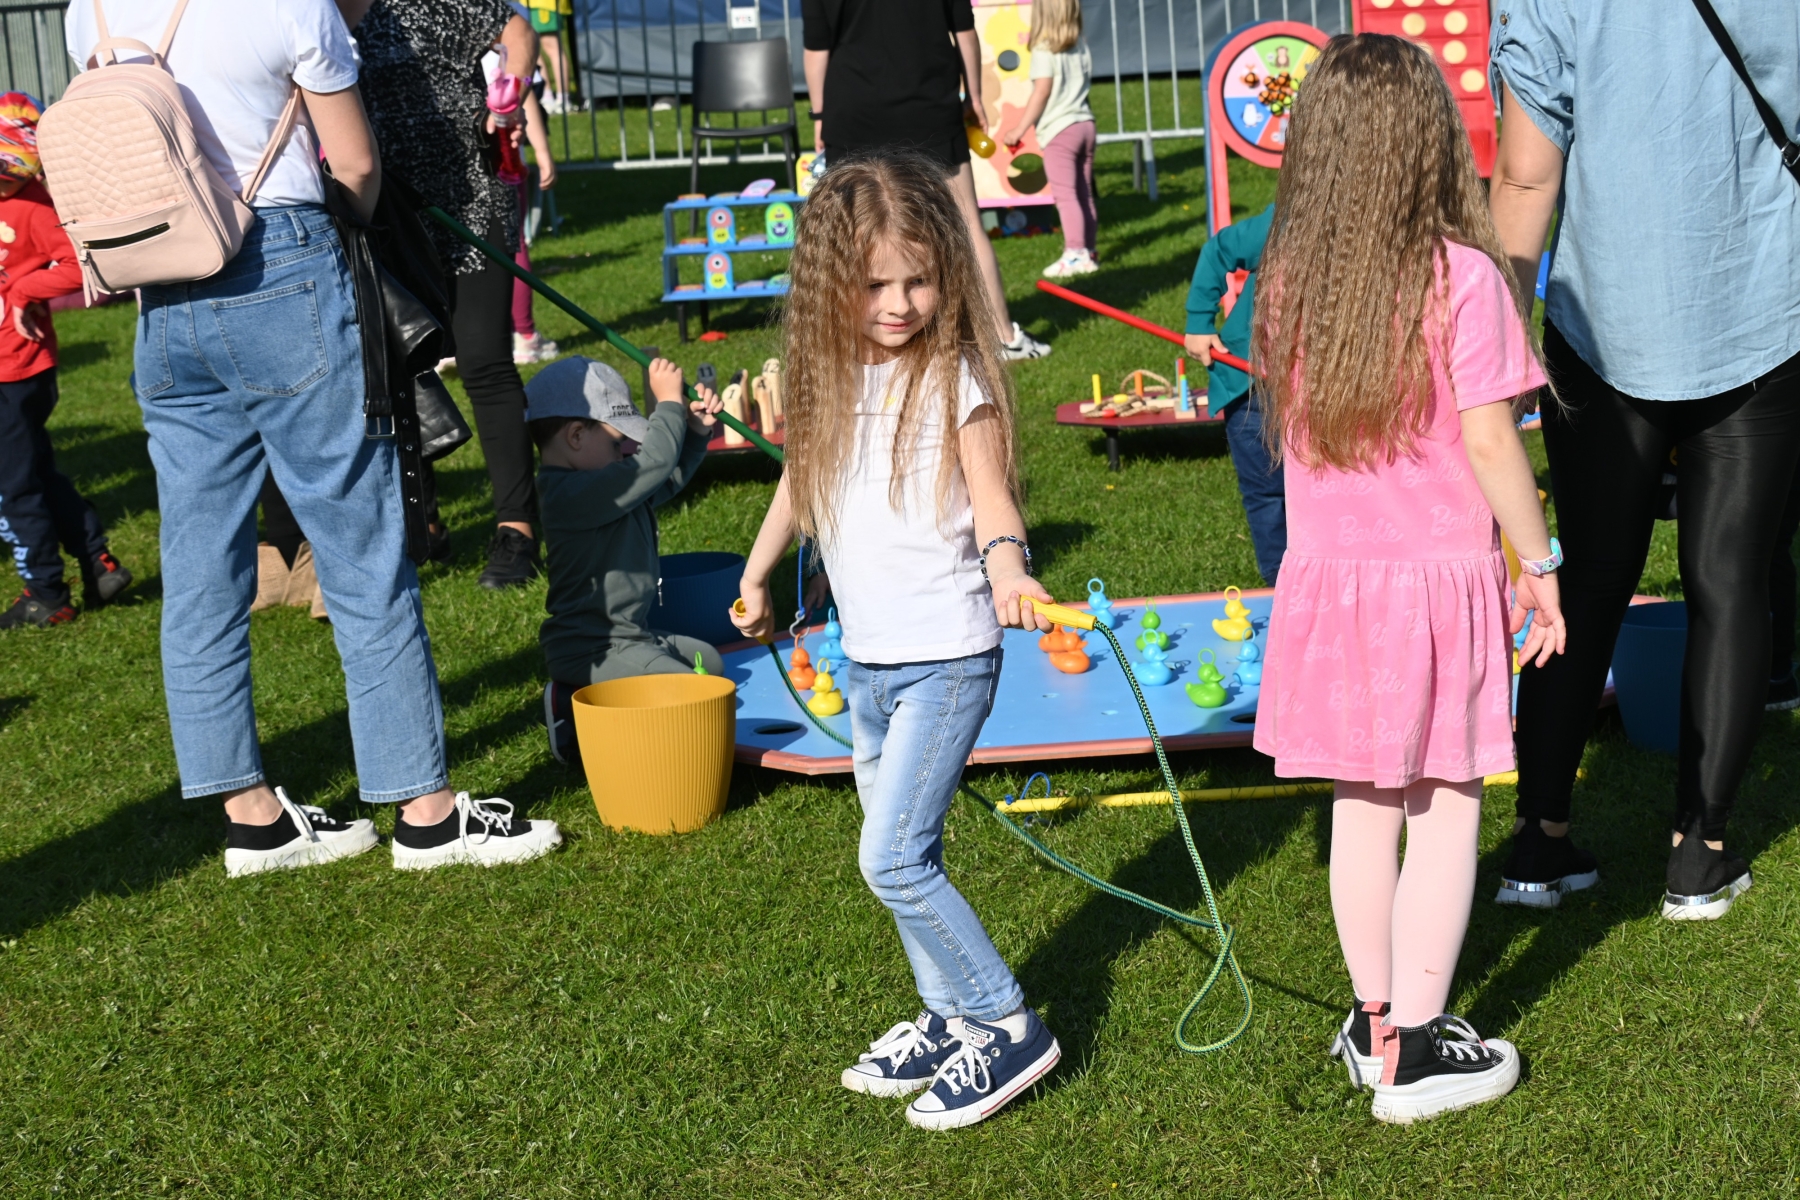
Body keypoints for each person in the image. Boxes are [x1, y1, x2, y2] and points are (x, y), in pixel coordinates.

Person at [66, 0, 561, 876]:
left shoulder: (89, 9)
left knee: (198, 567)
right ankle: (425, 813)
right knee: (361, 546)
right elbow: (357, 163)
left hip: (161, 293)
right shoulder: (287, 3)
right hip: (279, 260)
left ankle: (252, 817)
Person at [1250, 35, 1564, 1123]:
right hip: (1435, 588)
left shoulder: (1290, 283)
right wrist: (1541, 560)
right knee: (1444, 803)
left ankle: (1374, 1019)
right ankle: (1420, 1050)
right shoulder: (1464, 277)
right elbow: (1490, 438)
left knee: (1361, 803)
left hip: (1331, 588)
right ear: (1431, 144)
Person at [729, 154, 1062, 1130]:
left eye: (919, 280)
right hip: (866, 660)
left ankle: (1005, 1024)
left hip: (947, 657)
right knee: (901, 853)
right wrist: (755, 573)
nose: (900, 304)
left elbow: (994, 499)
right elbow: (801, 481)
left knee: (895, 860)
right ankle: (948, 1016)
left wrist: (1010, 571)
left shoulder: (956, 378)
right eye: (876, 284)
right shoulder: (829, 377)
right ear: (831, 281)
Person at [1489, 0, 1800, 920]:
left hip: (1606, 315)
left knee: (1582, 580)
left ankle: (1538, 842)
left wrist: (1498, 341)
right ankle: (1699, 853)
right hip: (1759, 301)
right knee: (1732, 580)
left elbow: (1525, 173)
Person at [348, 0, 548, 589]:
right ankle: (423, 521)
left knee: (484, 359)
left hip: (470, 198)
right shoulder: (325, 12)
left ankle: (517, 530)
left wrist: (508, 98)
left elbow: (519, 31)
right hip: (385, 211)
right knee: (399, 369)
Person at [800, 0, 1051, 361]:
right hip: (929, 108)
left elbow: (816, 47)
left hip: (855, 111)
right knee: (966, 224)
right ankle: (1002, 336)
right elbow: (964, 31)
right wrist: (974, 96)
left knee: (851, 234)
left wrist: (820, 114)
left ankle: (845, 343)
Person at [534, 356, 724, 765]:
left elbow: (662, 479)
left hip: (631, 636)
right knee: (697, 695)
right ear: (576, 436)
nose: (625, 453)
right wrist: (668, 404)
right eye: (617, 443)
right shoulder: (568, 494)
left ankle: (592, 698)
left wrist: (694, 433)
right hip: (590, 647)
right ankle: (574, 709)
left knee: (710, 662)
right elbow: (653, 465)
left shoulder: (606, 488)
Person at [0, 90, 132, 629]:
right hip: (15, 367)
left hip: (14, 368)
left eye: (11, 174)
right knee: (35, 471)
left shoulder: (34, 206)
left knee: (13, 488)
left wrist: (24, 289)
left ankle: (46, 592)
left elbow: (80, 264)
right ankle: (97, 561)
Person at [1183, 202, 1285, 584]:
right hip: (1251, 384)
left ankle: (1323, 575)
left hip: (1324, 389)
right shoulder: (1286, 218)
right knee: (1266, 488)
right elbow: (1219, 251)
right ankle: (1279, 581)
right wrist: (1199, 322)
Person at [994, 0, 1097, 279]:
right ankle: (1089, 251)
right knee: (1084, 192)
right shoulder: (1080, 45)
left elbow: (1042, 91)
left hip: (1060, 131)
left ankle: (1075, 252)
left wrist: (1019, 129)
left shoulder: (1043, 50)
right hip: (1085, 124)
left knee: (1066, 196)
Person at [481, 45, 560, 366]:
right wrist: (542, 152)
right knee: (515, 246)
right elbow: (525, 96)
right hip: (504, 162)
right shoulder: (505, 44)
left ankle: (453, 343)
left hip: (455, 164)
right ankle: (524, 335)